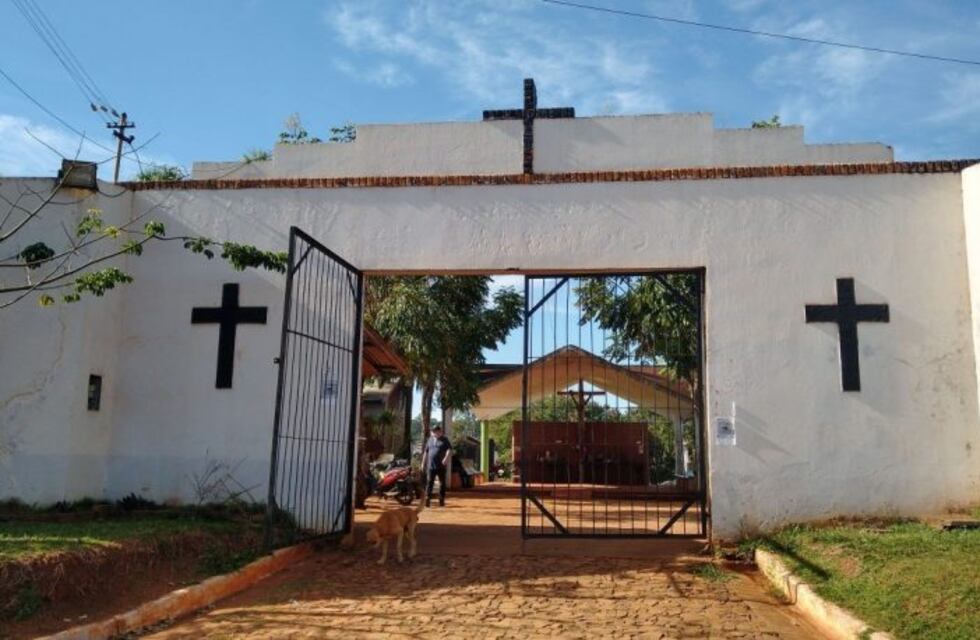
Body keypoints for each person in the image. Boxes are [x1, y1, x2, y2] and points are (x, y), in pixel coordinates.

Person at [423, 425, 452, 507]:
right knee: (429, 482)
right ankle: (427, 499)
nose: (434, 433)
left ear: (440, 432)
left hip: (441, 466)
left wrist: (446, 458)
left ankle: (441, 499)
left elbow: (449, 450)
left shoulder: (444, 440)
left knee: (442, 483)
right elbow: (426, 452)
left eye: (436, 431)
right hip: (431, 466)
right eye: (433, 431)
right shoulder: (430, 440)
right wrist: (423, 463)